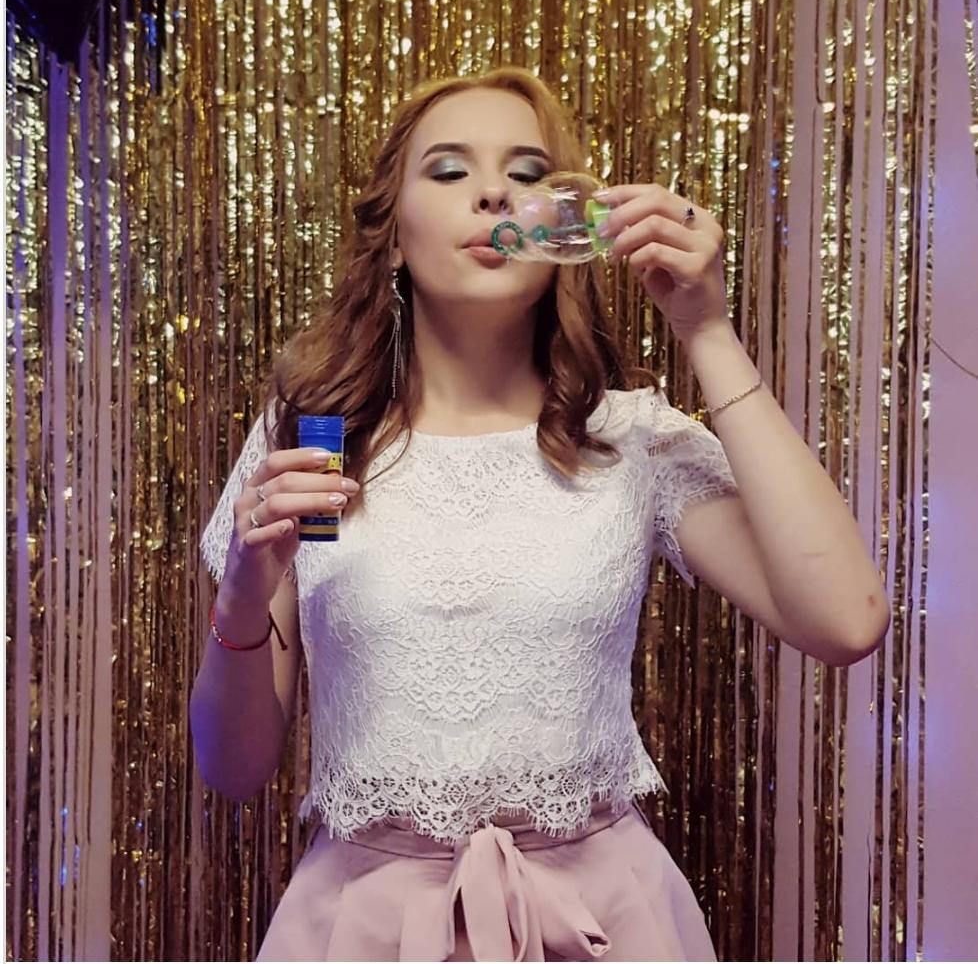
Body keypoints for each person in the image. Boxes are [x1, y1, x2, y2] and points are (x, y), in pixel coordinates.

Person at [190, 67, 890, 962]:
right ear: (393, 237)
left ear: (568, 232)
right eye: (450, 170)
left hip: (605, 919)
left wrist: (707, 329)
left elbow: (846, 619)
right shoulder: (323, 440)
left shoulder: (629, 439)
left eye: (526, 174)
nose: (492, 193)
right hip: (364, 925)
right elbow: (233, 767)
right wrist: (244, 595)